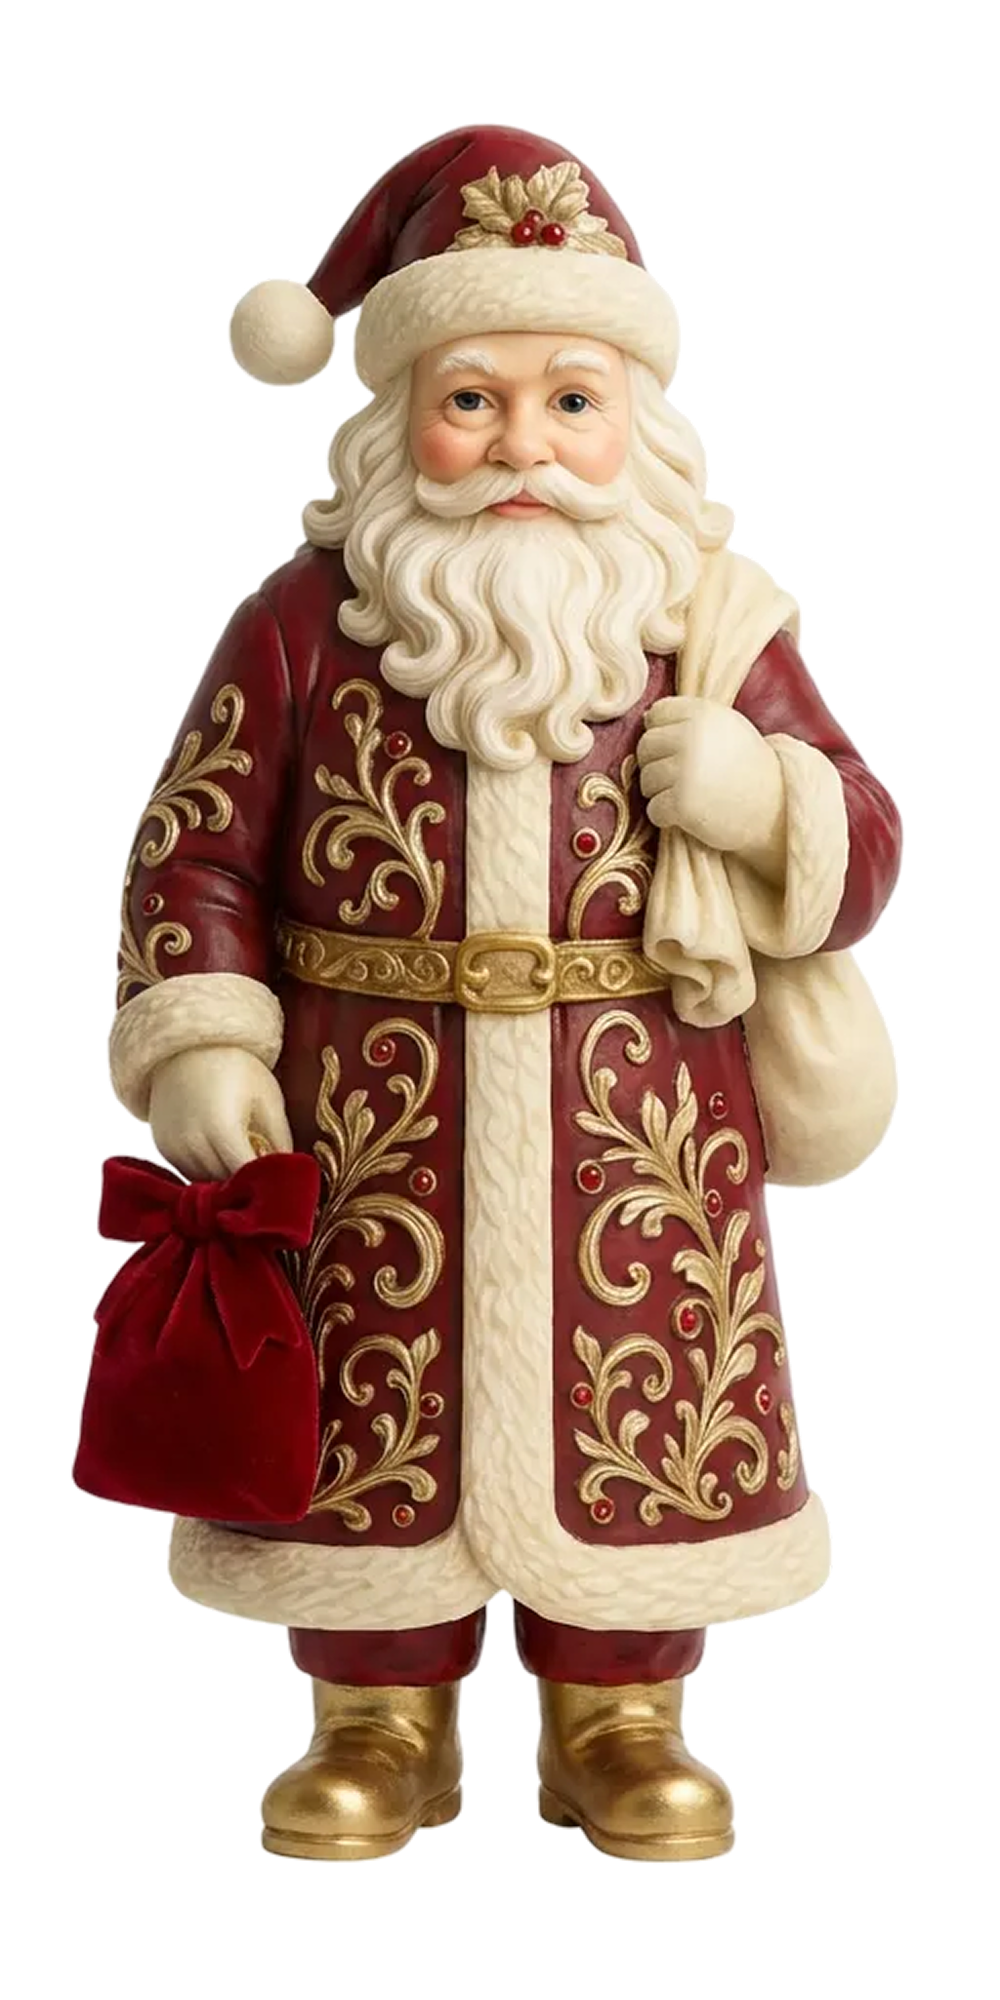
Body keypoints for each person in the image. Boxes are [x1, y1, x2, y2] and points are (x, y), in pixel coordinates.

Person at [107, 123, 904, 1864]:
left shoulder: (711, 628)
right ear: (398, 419)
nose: (523, 443)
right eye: (472, 400)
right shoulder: (302, 624)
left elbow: (867, 839)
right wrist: (205, 1036)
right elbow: (197, 849)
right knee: (368, 1418)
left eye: (570, 400)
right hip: (368, 1112)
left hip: (642, 1112)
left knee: (643, 1403)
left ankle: (621, 1716)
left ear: (640, 425)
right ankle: (375, 1717)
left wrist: (763, 798)